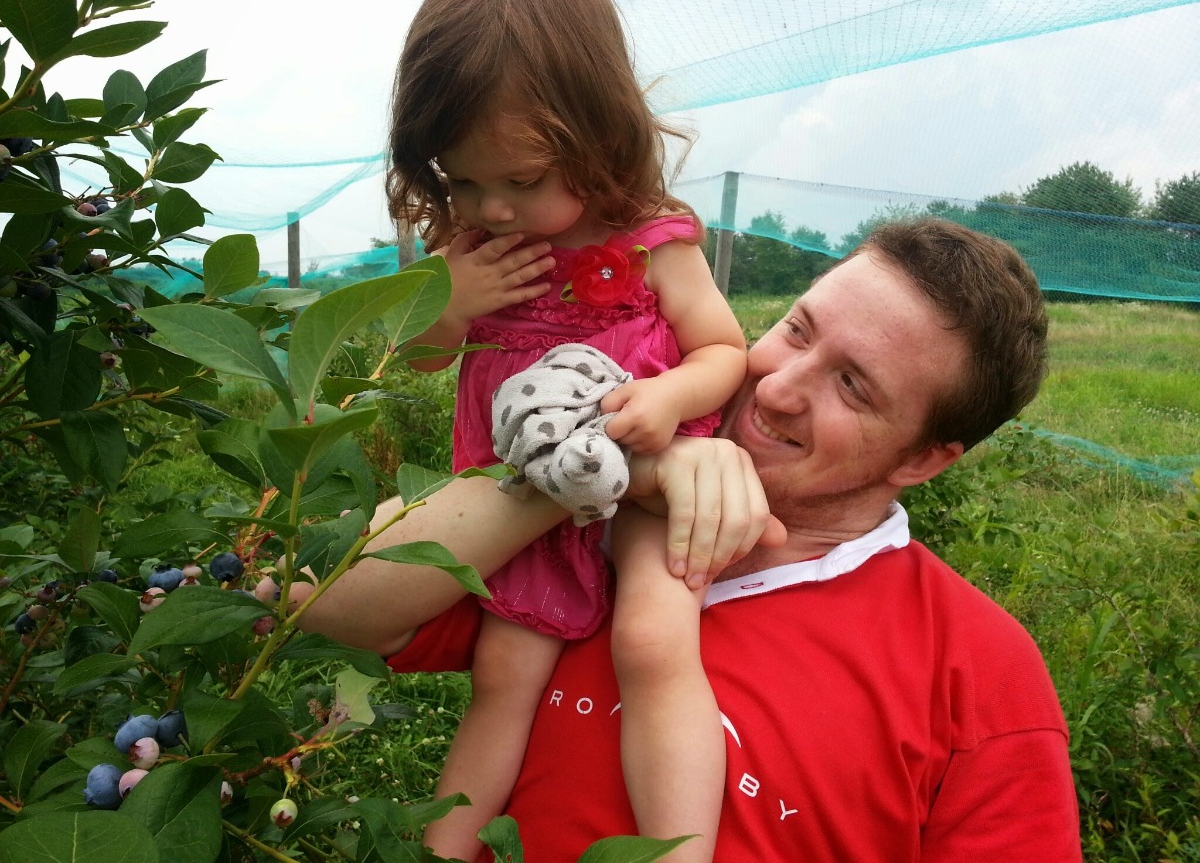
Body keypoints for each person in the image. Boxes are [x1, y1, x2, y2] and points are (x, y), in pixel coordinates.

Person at [293, 216, 1082, 860]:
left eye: (852, 385)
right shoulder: (578, 538)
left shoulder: (978, 670)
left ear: (924, 458)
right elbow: (320, 597)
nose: (776, 386)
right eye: (797, 330)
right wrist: (612, 474)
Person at [383, 0, 747, 857]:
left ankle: (678, 851)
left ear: (601, 137)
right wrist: (451, 300)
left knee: (655, 646)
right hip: (525, 497)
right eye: (461, 181)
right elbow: (421, 360)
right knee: (503, 677)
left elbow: (724, 351)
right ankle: (446, 848)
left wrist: (668, 395)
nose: (492, 206)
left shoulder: (653, 240)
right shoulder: (468, 249)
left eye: (522, 178)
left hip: (644, 481)